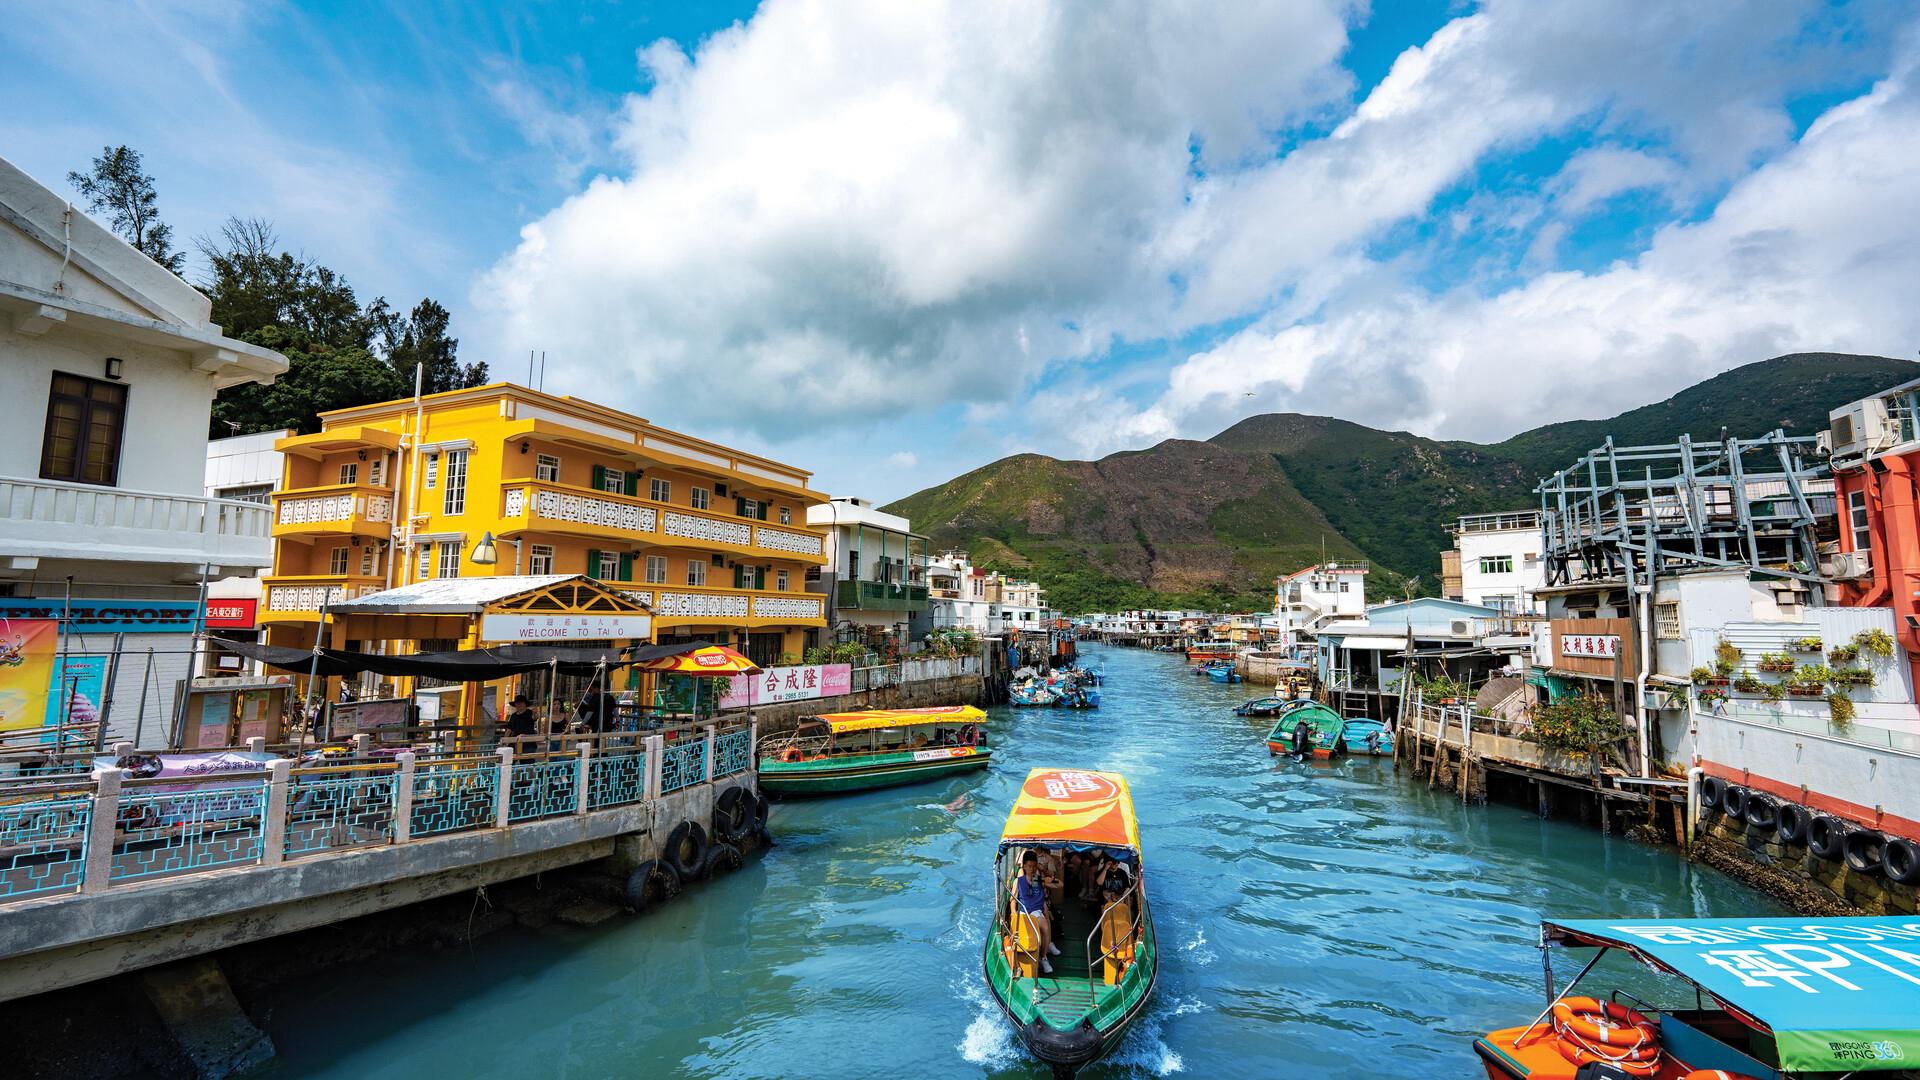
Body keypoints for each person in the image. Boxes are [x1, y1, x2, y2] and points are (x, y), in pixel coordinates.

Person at [1015, 851, 1061, 974]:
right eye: (1029, 866)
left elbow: (1059, 885)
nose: (1032, 869)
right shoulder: (1019, 881)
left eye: (1034, 866)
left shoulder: (1037, 880)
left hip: (1035, 911)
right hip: (1024, 912)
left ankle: (1043, 957)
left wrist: (1051, 879)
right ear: (1024, 866)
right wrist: (1014, 914)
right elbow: (1012, 900)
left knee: (1045, 926)